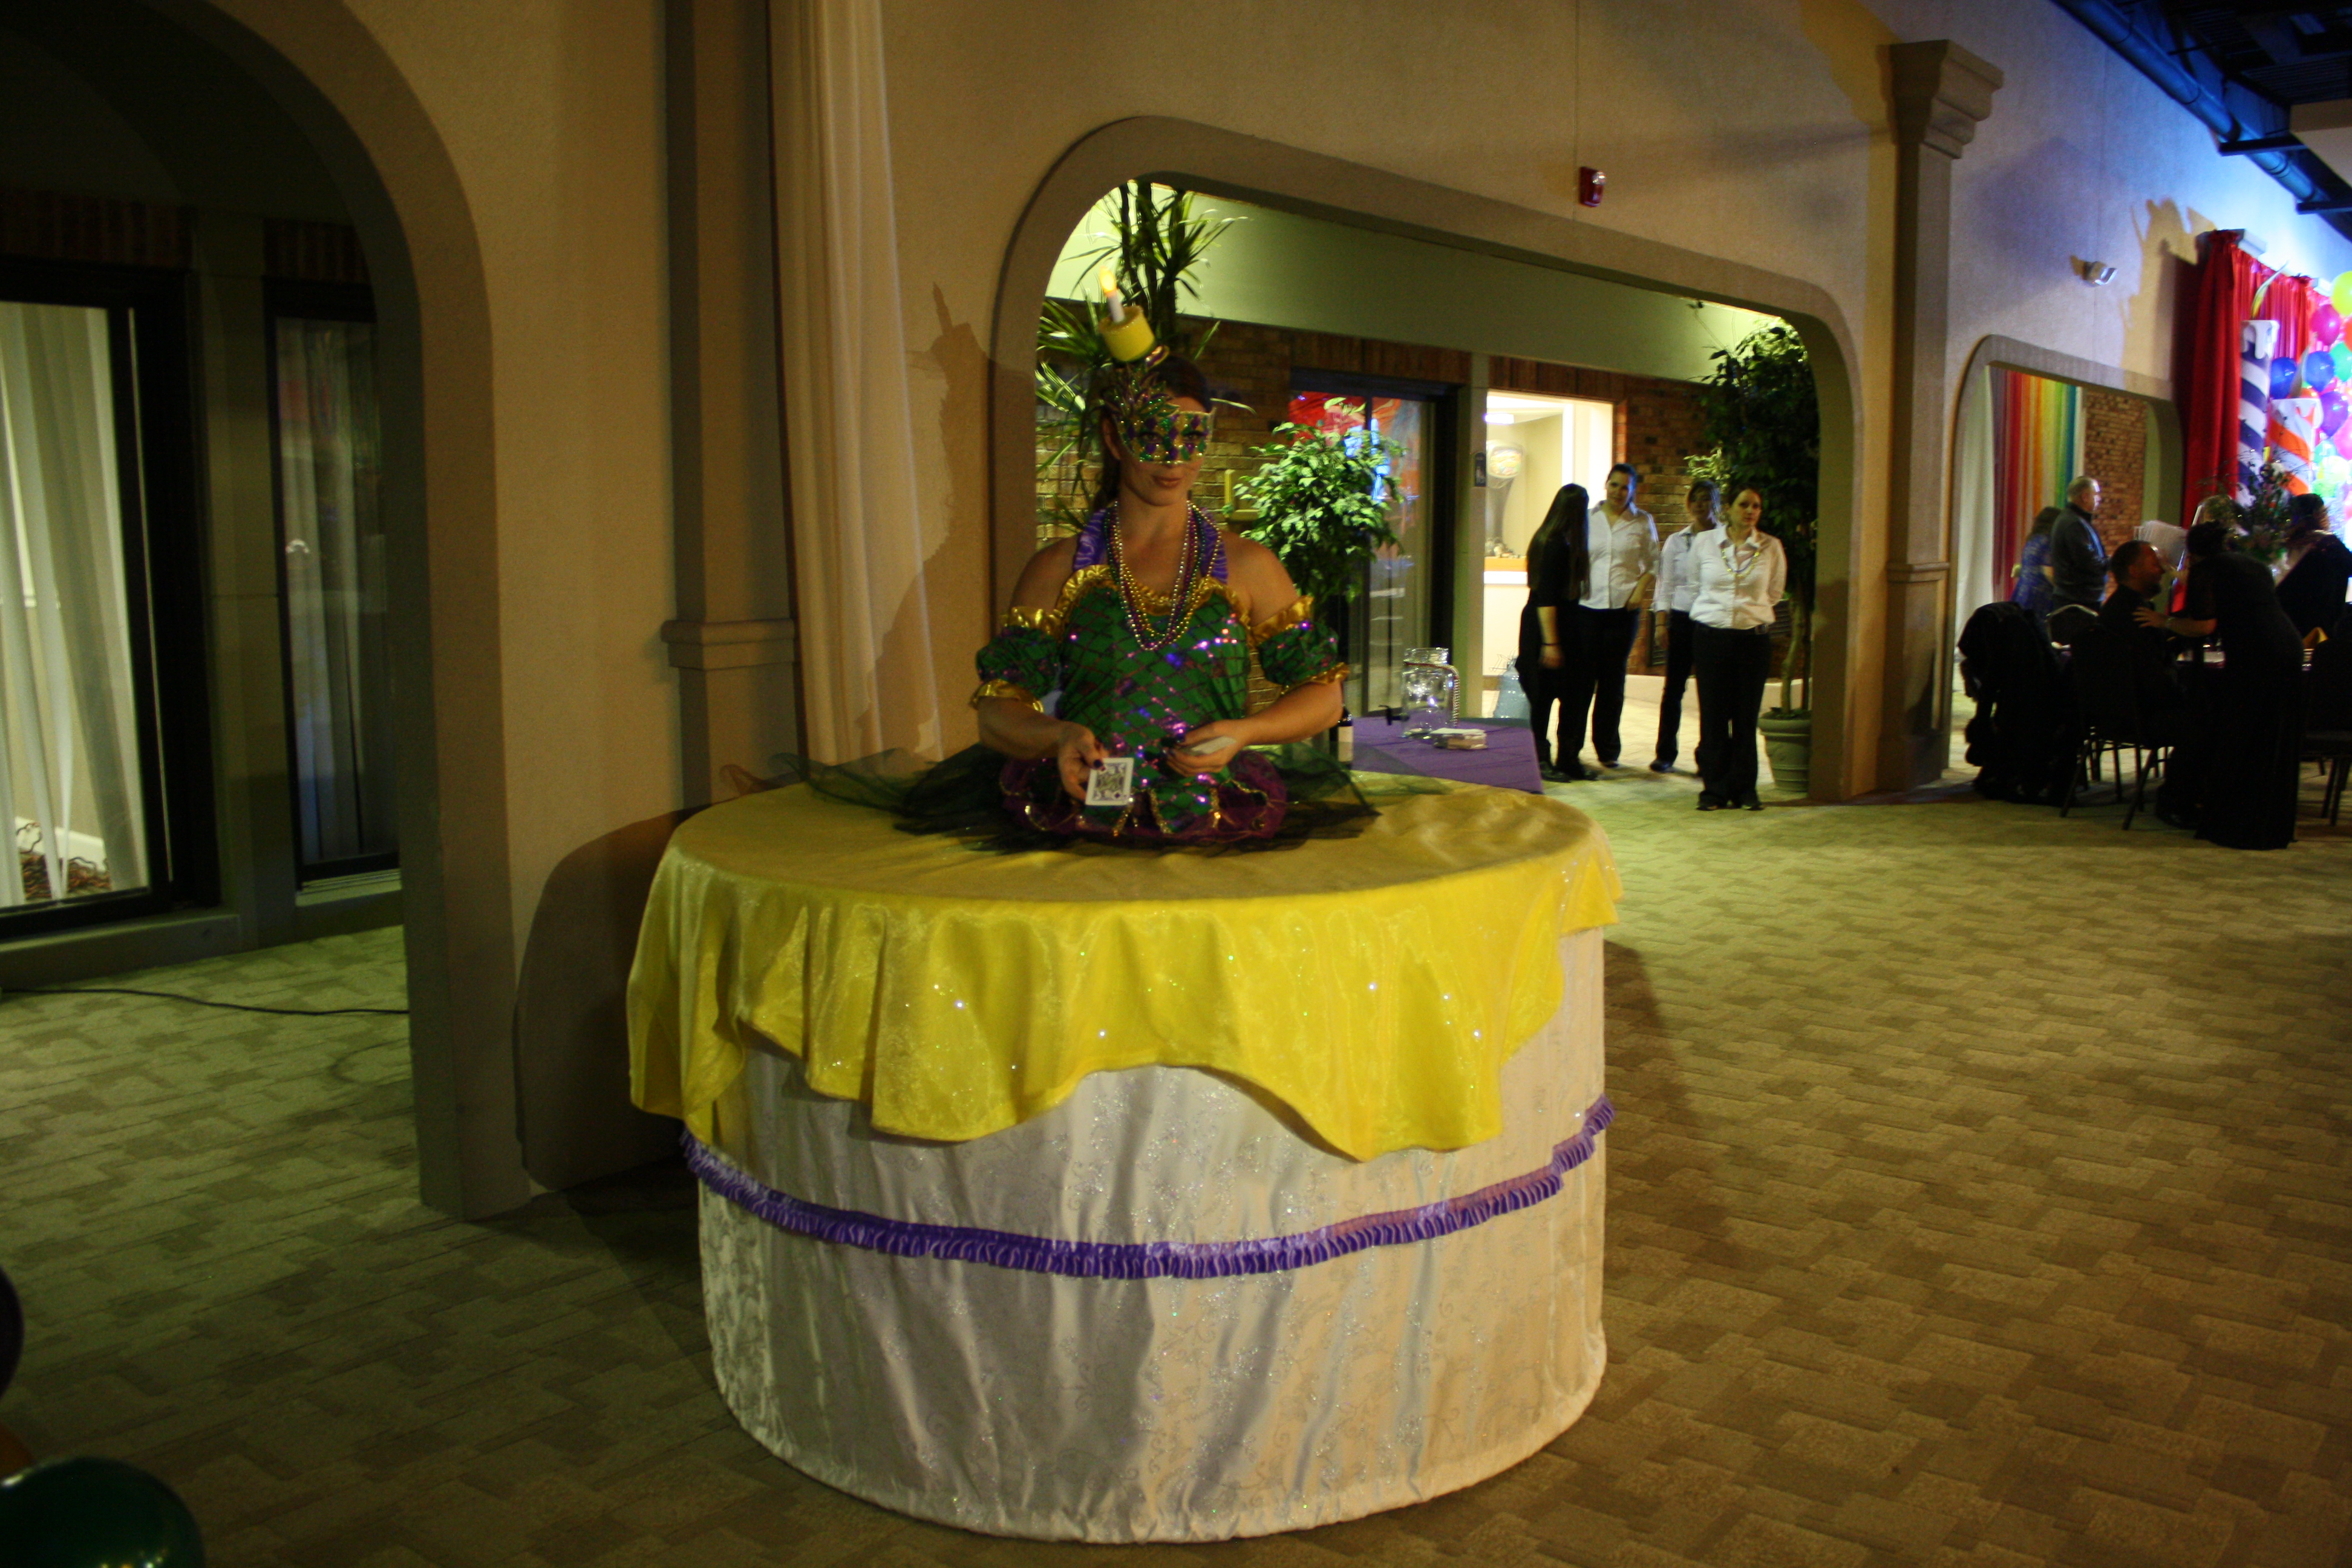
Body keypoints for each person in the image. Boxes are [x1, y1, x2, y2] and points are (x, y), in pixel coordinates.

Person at [971, 344, 1350, 843]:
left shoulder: (1250, 567)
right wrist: (1058, 736)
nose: (1174, 459)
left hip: (1217, 819)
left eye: (1191, 437)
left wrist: (1246, 732)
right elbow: (997, 712)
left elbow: (1324, 697)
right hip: (1085, 818)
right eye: (1151, 436)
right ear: (1114, 437)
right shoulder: (1057, 569)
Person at [2135, 519, 2304, 849]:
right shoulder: (2250, 565)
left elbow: (2204, 626)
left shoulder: (2207, 571)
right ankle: (2273, 820)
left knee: (2244, 733)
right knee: (2273, 737)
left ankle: (2238, 820)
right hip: (2288, 646)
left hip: (2258, 655)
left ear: (2193, 553)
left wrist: (2164, 621)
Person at [1551, 462, 1658, 775]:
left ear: (1632, 491)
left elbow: (1653, 562)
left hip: (1623, 614)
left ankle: (1608, 750)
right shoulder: (1587, 518)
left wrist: (1640, 592)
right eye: (1614, 485)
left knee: (1612, 683)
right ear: (1605, 485)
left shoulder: (1642, 522)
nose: (1618, 492)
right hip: (1586, 610)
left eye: (1625, 487)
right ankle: (1570, 749)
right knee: (1580, 683)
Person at [1688, 484, 1787, 812]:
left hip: (1752, 639)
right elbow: (1693, 584)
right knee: (1714, 716)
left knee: (1745, 717)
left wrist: (1748, 612)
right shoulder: (1705, 543)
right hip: (1711, 637)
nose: (1751, 511)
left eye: (1756, 506)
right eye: (1744, 505)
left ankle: (1746, 790)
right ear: (1728, 508)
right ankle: (1714, 791)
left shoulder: (1771, 547)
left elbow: (1774, 593)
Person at [1520, 483, 1591, 782]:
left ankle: (1564, 758)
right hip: (1549, 628)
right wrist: (1552, 643)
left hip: (1552, 625)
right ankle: (1543, 760)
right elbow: (1547, 598)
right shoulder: (1555, 545)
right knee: (1546, 695)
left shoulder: (1547, 538)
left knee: (1562, 694)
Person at [1648, 479, 1718, 773]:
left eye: (1707, 499)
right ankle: (1665, 754)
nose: (1701, 504)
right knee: (1673, 690)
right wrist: (1661, 623)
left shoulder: (1725, 540)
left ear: (1717, 503)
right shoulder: (1677, 541)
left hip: (1712, 622)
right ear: (1689, 504)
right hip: (1680, 620)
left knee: (1711, 693)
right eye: (1696, 499)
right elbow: (1665, 584)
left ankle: (1709, 756)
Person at [2275, 492, 2352, 638]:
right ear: (2319, 516)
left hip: (2287, 623)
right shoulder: (2327, 543)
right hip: (2321, 625)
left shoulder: (2282, 544)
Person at [2047, 475, 2108, 641]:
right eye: (2096, 494)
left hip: (2080, 598)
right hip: (2078, 602)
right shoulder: (2073, 524)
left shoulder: (2076, 520)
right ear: (2085, 497)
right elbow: (2088, 563)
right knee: (2080, 652)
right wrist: (2113, 562)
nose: (2099, 499)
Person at [2010, 506, 2061, 633]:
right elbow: (2049, 572)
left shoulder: (2033, 539)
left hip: (2023, 592)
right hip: (2040, 596)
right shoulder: (2048, 541)